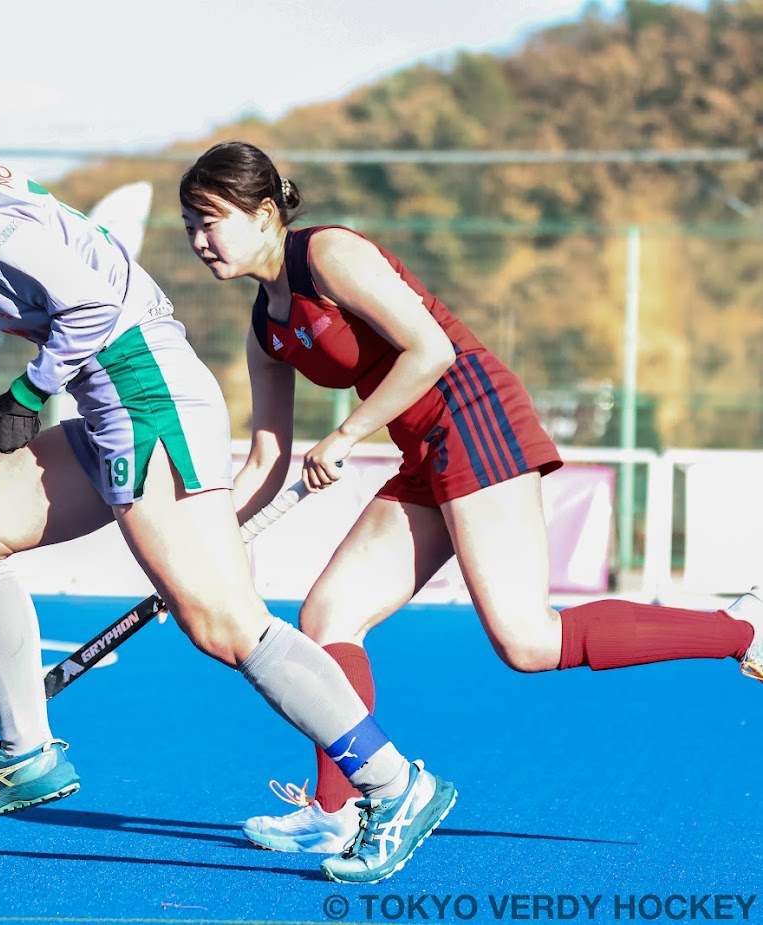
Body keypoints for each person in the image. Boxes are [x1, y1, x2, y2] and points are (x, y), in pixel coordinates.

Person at [0, 87, 456, 884]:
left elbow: (93, 304)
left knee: (226, 625)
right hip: (104, 404)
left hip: (147, 397)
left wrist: (26, 394)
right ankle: (26, 749)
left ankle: (394, 784)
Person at [178, 140, 763, 855]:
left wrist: (346, 433)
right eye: (189, 226)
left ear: (264, 212)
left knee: (527, 640)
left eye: (211, 220)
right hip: (421, 447)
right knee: (330, 614)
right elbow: (266, 457)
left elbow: (431, 350)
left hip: (475, 416)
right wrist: (208, 537)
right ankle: (335, 807)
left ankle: (742, 628)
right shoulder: (264, 327)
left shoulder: (328, 253)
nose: (199, 240)